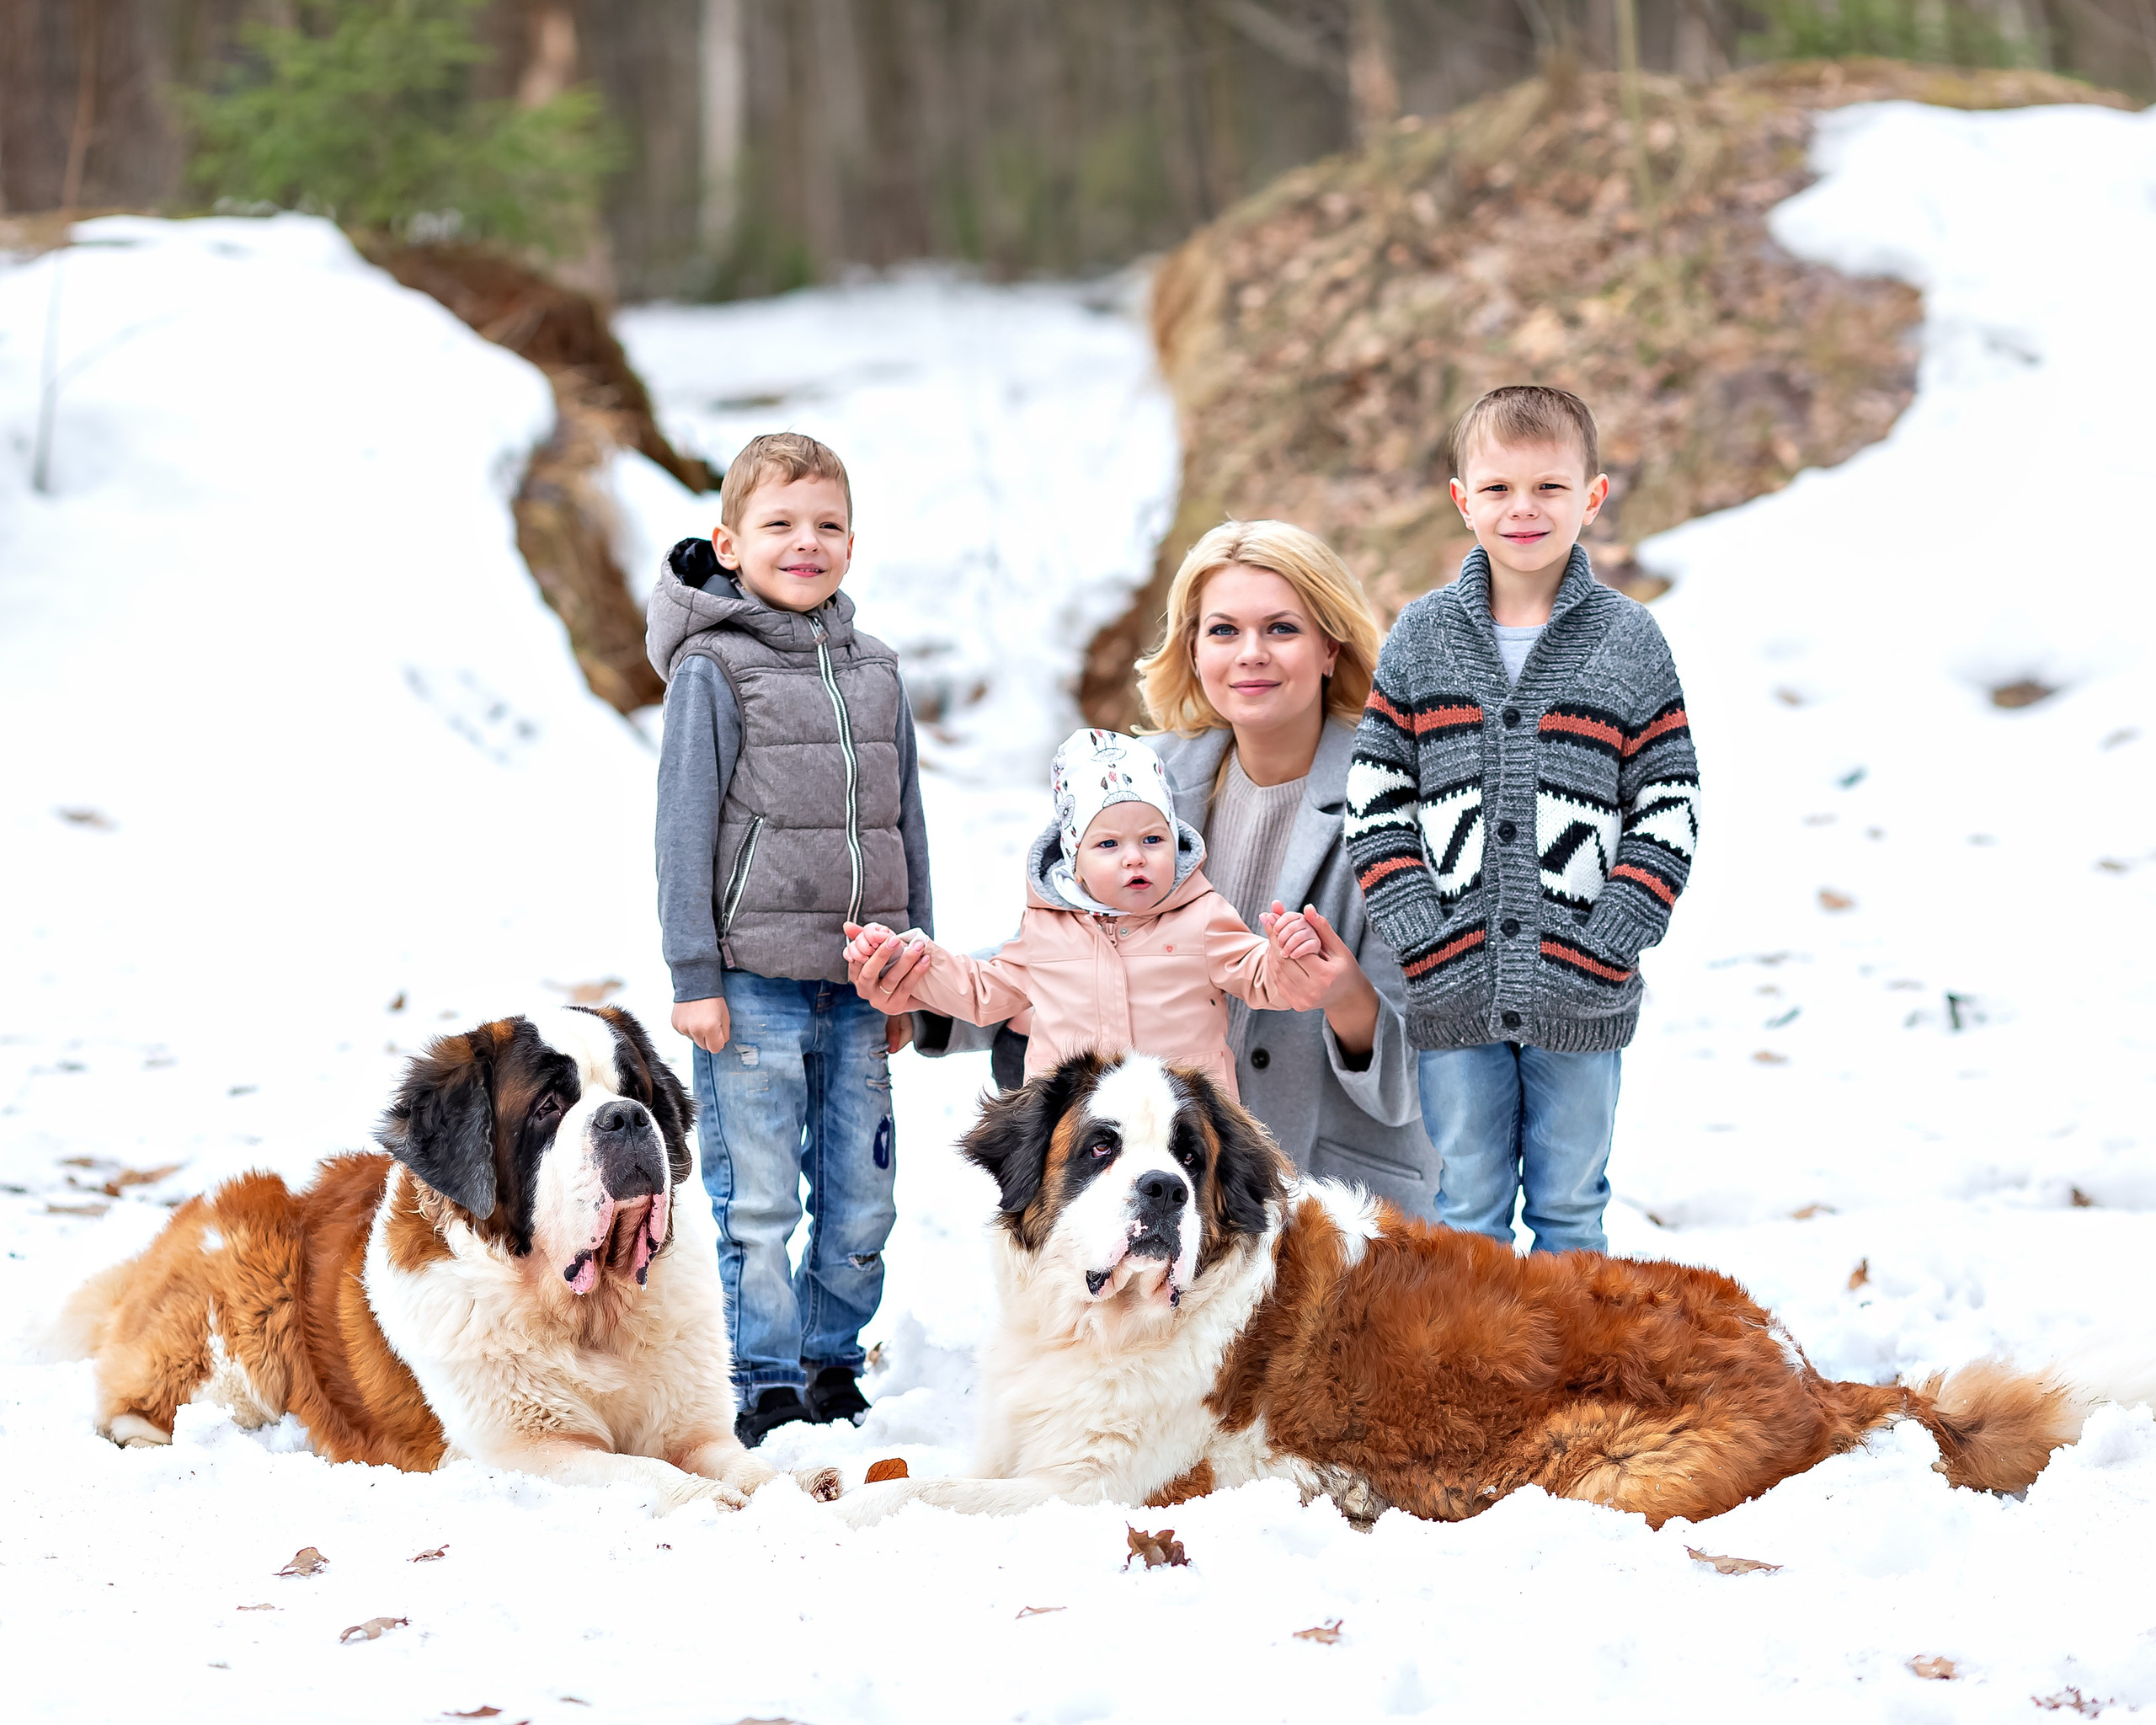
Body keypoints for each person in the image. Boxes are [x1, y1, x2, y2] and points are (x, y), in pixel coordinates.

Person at [853, 520, 1436, 1215]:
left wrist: (1345, 996)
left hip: (1328, 1206)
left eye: (1281, 629)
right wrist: (922, 997)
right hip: (1146, 1200)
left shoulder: (1400, 802)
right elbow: (1066, 951)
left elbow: (1426, 1084)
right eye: (1223, 631)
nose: (1250, 654)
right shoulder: (1135, 779)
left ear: (1329, 648)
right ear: (1192, 649)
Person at [1347, 385, 1700, 1254]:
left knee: (1571, 1204)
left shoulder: (1629, 641)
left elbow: (1669, 799)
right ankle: (1477, 1380)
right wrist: (1419, 928)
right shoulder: (1423, 636)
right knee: (1463, 1206)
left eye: (1548, 486)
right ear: (1463, 500)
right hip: (1452, 985)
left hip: (1583, 989)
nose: (1524, 509)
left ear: (1592, 496)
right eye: (1499, 488)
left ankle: (1563, 1376)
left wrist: (1613, 930)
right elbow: (1376, 790)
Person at [646, 431, 931, 1447]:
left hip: (861, 986)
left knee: (860, 1199)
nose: (803, 543)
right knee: (756, 1199)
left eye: (826, 526)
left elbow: (905, 822)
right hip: (751, 984)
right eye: (778, 525)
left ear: (851, 545)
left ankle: (830, 1359)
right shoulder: (712, 672)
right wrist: (695, 973)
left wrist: (917, 968)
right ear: (729, 543)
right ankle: (761, 1375)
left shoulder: (879, 671)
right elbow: (682, 827)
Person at [841, 726, 1337, 1099]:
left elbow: (1258, 976)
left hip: (1182, 1120)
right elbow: (984, 990)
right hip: (1077, 1126)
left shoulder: (1202, 915)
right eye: (1107, 844)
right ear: (1074, 861)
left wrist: (1285, 955)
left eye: (1152, 838)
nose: (1135, 857)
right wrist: (911, 958)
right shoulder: (1049, 929)